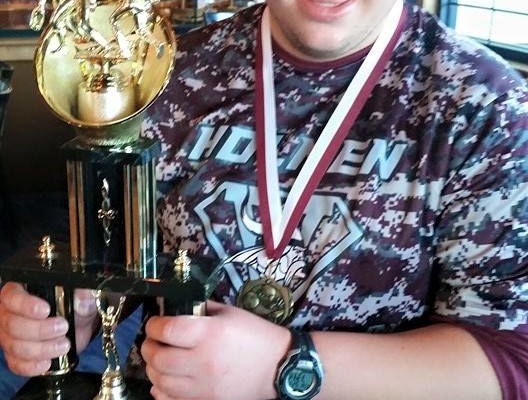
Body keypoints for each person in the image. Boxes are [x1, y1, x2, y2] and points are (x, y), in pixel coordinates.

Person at [1, 0, 528, 399]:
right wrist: (76, 311)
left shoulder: (486, 107)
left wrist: (286, 364)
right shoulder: (167, 72)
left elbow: (511, 361)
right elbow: (134, 256)